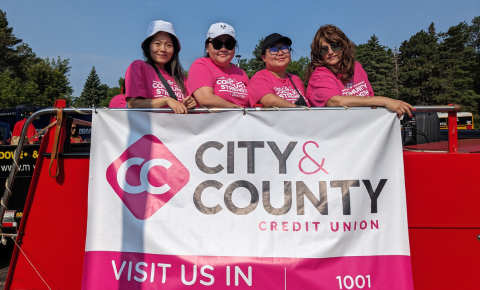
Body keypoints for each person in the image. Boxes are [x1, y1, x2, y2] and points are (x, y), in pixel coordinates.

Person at [305, 24, 414, 117]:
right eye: (324, 49)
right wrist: (384, 101)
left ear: (344, 46)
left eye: (335, 46)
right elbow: (336, 102)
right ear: (318, 54)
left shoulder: (356, 67)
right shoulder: (319, 75)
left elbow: (369, 99)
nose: (330, 52)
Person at [125, 20, 196, 113]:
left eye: (169, 45)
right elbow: (133, 104)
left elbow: (188, 101)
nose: (163, 49)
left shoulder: (180, 76)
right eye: (157, 44)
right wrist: (166, 100)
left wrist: (191, 103)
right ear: (148, 46)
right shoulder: (138, 67)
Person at [188, 22, 249, 108]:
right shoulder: (201, 65)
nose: (223, 49)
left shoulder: (241, 73)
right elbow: (206, 100)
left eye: (229, 44)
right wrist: (237, 109)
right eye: (217, 44)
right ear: (207, 47)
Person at [248, 33, 309, 108]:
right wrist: (299, 110)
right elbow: (269, 100)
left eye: (285, 48)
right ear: (264, 58)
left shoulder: (296, 80)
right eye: (273, 49)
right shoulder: (258, 78)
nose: (280, 53)